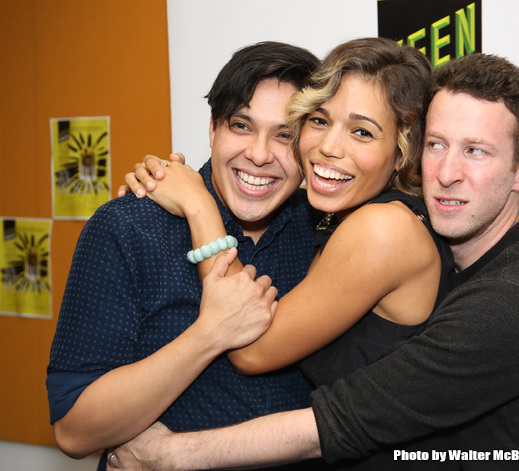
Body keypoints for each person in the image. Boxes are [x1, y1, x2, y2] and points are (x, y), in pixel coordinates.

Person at [107, 53, 519, 470]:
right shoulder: (373, 227)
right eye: (438, 145)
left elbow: (313, 405)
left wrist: (169, 456)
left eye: (476, 151)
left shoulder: (508, 296)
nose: (448, 172)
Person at [115, 37, 454, 470]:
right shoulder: (329, 215)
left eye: (362, 132)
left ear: (401, 154)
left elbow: (250, 347)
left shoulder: (383, 229)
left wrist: (198, 205)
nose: (329, 147)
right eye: (319, 120)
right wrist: (158, 176)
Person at [46, 41, 322, 471]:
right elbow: (74, 430)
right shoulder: (129, 228)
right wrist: (209, 334)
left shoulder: (326, 233)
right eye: (242, 125)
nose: (260, 154)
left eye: (285, 135)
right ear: (213, 128)